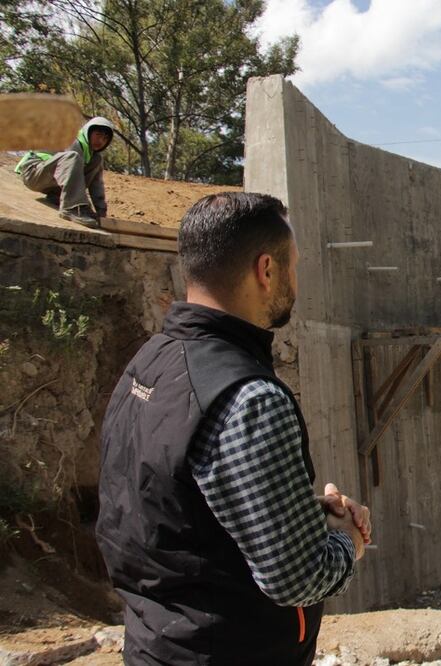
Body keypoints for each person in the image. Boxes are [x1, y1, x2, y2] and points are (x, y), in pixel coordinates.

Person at [96, 192, 371, 665]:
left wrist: (299, 513)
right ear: (266, 270)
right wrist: (348, 540)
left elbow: (173, 506)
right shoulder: (251, 399)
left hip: (156, 644)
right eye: (294, 266)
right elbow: (296, 578)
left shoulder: (150, 361)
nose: (296, 281)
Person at [15, 116, 115, 228]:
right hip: (33, 173)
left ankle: (57, 197)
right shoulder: (74, 142)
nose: (101, 141)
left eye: (105, 138)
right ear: (89, 132)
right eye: (98, 135)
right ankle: (71, 208)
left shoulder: (93, 155)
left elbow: (96, 185)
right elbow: (74, 176)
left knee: (96, 160)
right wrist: (82, 205)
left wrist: (101, 213)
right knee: (72, 157)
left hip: (50, 179)